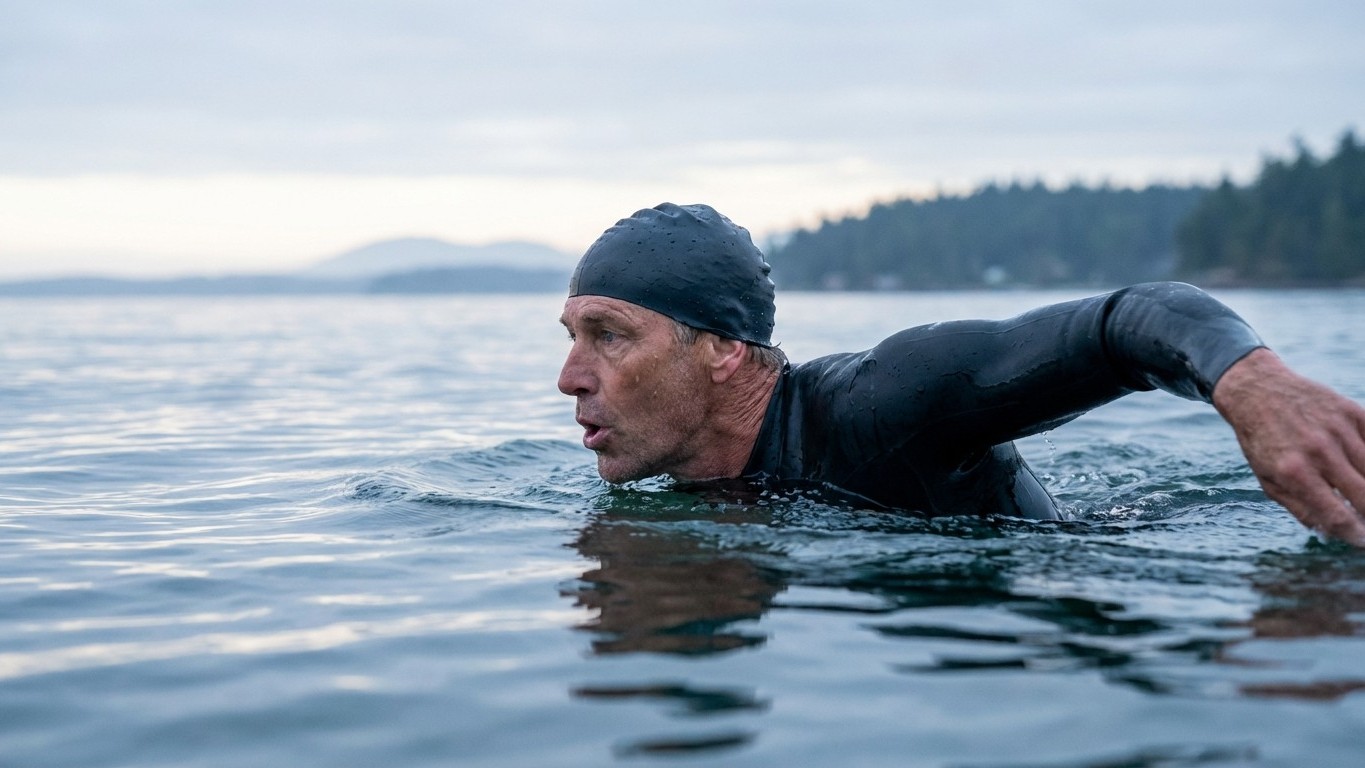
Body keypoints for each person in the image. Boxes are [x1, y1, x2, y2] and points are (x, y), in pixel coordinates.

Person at [558, 202, 1365, 545]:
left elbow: (1130, 319)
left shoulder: (889, 401)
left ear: (723, 349)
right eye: (571, 336)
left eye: (609, 336)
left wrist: (1255, 385)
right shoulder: (675, 491)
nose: (569, 377)